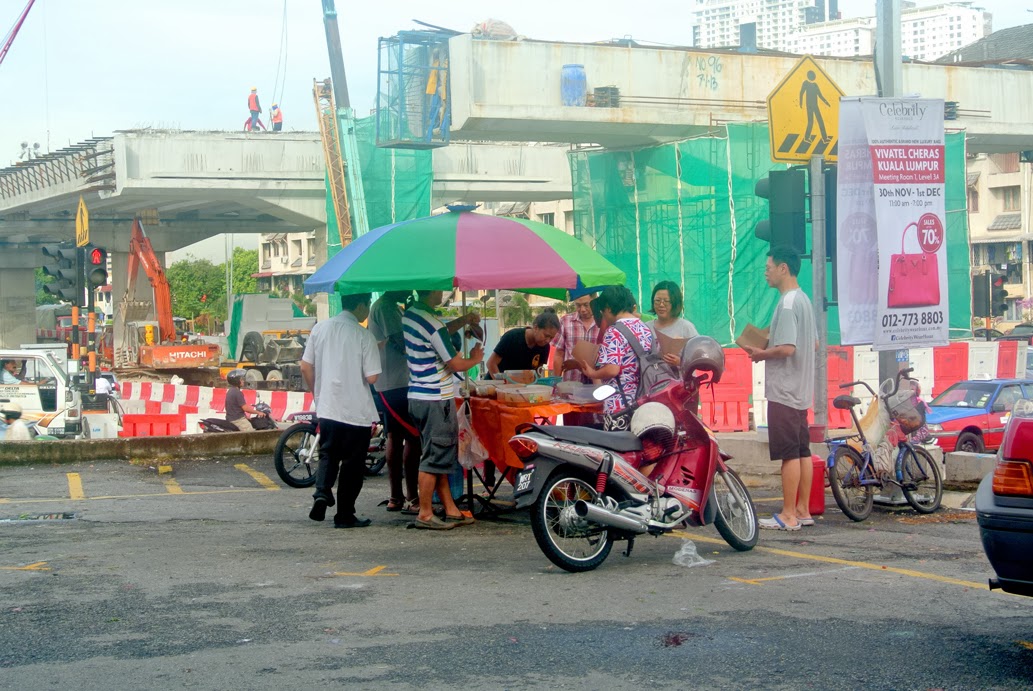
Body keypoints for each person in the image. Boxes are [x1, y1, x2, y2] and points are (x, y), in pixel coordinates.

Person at [743, 245, 817, 532]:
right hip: (800, 389)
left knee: (789, 454)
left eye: (769, 267)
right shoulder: (804, 301)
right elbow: (813, 344)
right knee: (802, 451)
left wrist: (761, 352)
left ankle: (788, 514)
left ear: (783, 268)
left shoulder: (786, 304)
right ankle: (802, 509)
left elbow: (787, 348)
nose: (766, 272)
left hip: (784, 390)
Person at [404, 290, 483, 530]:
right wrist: (475, 358)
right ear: (433, 290)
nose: (445, 292)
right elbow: (456, 363)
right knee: (435, 455)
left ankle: (450, 508)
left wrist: (464, 320)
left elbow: (436, 335)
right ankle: (426, 513)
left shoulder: (412, 315)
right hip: (436, 397)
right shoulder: (433, 324)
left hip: (418, 395)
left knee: (438, 455)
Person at [302, 293, 382, 529]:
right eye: (367, 305)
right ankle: (345, 514)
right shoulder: (364, 335)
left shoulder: (320, 329)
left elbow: (306, 366)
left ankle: (321, 492)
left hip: (328, 406)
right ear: (360, 305)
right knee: (352, 464)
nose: (367, 310)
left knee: (328, 453)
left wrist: (317, 393)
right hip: (356, 410)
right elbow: (372, 376)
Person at [368, 290, 421, 515]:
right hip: (397, 383)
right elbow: (400, 341)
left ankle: (397, 496)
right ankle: (411, 496)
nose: (411, 291)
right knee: (411, 438)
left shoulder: (387, 307)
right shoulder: (387, 307)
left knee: (395, 435)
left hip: (390, 382)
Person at [576, 286, 653, 431]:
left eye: (603, 312)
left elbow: (612, 370)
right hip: (644, 403)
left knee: (618, 451)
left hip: (620, 406)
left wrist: (593, 373)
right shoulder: (645, 328)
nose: (603, 316)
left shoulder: (614, 332)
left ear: (608, 309)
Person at [486, 308, 561, 377]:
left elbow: (538, 371)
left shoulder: (545, 347)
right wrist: (502, 384)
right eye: (546, 335)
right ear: (535, 327)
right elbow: (491, 363)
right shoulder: (512, 337)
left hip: (520, 388)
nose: (548, 340)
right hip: (495, 385)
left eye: (551, 338)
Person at [648, 281, 699, 367]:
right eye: (657, 300)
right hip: (654, 378)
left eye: (666, 301)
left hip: (681, 378)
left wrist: (680, 362)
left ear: (675, 303)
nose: (661, 305)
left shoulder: (686, 327)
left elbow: (699, 355)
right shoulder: (646, 327)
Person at [552, 292, 599, 383]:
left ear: (594, 302)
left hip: (597, 383)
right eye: (578, 305)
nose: (582, 310)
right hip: (571, 382)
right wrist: (556, 382)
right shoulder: (565, 321)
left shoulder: (603, 323)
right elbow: (559, 354)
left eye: (586, 305)